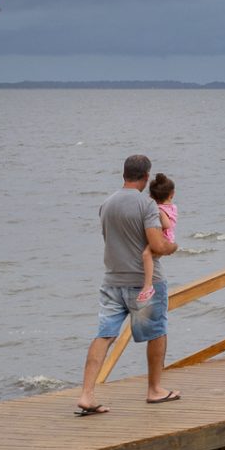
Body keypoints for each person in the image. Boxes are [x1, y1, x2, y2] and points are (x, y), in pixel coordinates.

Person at [75, 154, 181, 415]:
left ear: (124, 174)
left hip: (112, 281)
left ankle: (86, 394)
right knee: (156, 332)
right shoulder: (147, 205)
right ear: (146, 176)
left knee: (104, 335)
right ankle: (154, 389)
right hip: (143, 283)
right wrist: (173, 247)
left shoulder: (106, 204)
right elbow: (157, 245)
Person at [136, 174, 178, 308]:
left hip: (163, 238)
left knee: (146, 255)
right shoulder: (172, 207)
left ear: (151, 196)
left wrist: (157, 214)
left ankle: (148, 286)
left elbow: (166, 224)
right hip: (169, 238)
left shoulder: (159, 209)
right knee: (151, 259)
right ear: (172, 194)